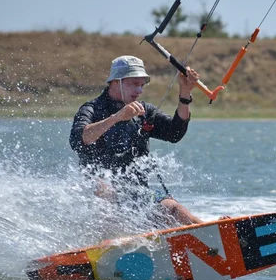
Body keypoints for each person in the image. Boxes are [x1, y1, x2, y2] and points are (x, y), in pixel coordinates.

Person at [69, 55, 204, 226]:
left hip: (138, 192)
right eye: (134, 84)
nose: (139, 91)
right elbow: (78, 139)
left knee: (177, 211)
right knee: (104, 189)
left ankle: (212, 232)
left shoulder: (143, 111)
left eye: (142, 85)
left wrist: (185, 94)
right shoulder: (92, 109)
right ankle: (112, 242)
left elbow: (175, 133)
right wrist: (117, 117)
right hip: (98, 197)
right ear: (116, 82)